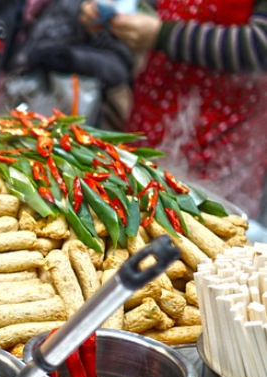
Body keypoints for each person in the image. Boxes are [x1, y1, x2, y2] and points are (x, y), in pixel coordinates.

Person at [80, 0, 267, 220]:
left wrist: (162, 35)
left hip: (223, 131)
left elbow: (261, 44)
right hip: (156, 110)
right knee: (133, 206)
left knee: (205, 222)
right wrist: (114, 15)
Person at [1, 0, 135, 130]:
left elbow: (119, 68)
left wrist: (71, 59)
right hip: (17, 91)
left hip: (64, 110)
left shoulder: (110, 9)